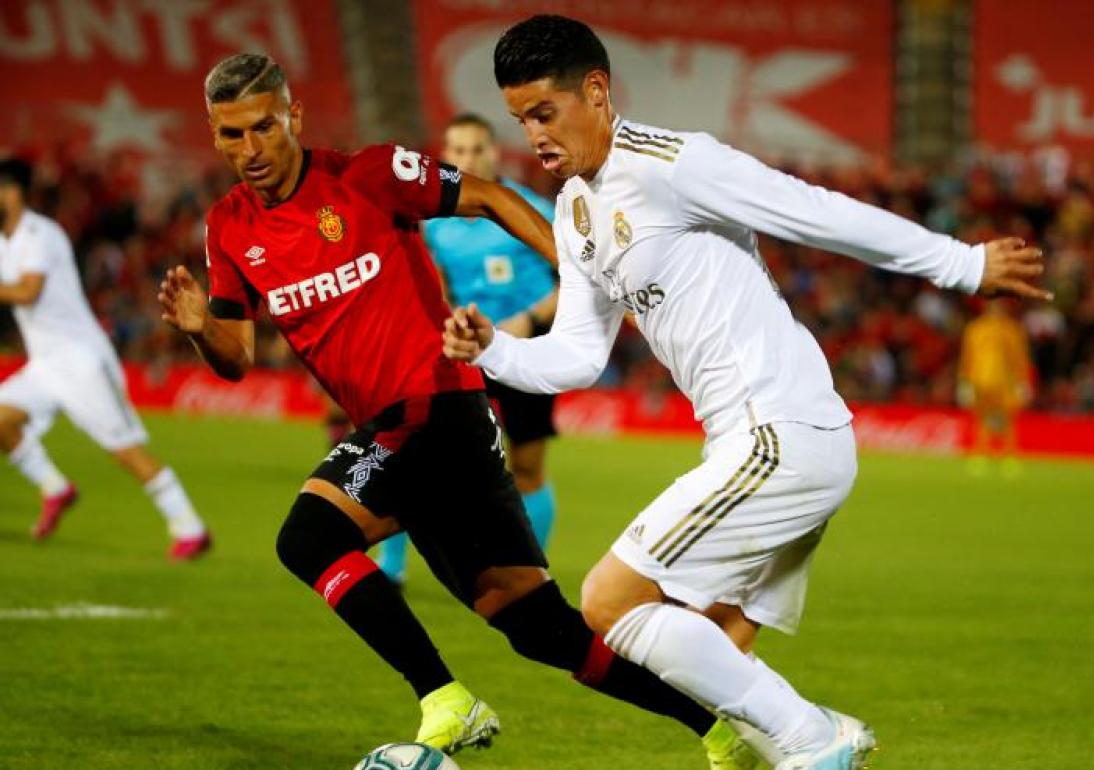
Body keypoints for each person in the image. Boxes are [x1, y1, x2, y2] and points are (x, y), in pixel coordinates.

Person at [444, 16, 1050, 770]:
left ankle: (817, 739)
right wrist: (493, 348)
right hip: (758, 441)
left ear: (595, 91)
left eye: (544, 112)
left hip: (778, 433)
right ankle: (801, 745)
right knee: (716, 644)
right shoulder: (574, 212)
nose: (534, 136)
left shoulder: (673, 164)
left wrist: (959, 263)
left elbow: (813, 209)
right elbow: (577, 356)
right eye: (521, 120)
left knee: (609, 602)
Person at [158, 53, 757, 768]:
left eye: (263, 126)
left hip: (436, 405)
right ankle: (722, 733)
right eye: (232, 135)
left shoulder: (367, 176)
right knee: (539, 627)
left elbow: (493, 198)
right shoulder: (228, 226)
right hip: (407, 428)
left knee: (307, 539)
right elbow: (235, 358)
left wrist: (583, 272)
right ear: (214, 134)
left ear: (293, 115)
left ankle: (443, 697)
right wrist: (200, 329)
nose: (250, 149)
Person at [376, 113, 560, 583]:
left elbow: (581, 280)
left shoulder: (531, 208)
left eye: (477, 149)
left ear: (494, 152)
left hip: (528, 352)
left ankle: (527, 574)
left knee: (526, 468)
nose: (468, 159)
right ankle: (391, 568)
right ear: (445, 156)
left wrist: (532, 318)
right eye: (458, 151)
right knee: (417, 455)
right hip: (464, 351)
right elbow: (427, 282)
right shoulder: (433, 222)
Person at [0, 158, 210, 559]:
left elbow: (28, 291)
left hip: (79, 359)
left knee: (123, 451)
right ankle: (56, 488)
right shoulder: (4, 241)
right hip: (44, 363)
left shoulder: (40, 234)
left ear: (12, 192)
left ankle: (190, 527)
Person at [958, 299, 1033, 476]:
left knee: (1007, 418)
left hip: (1005, 380)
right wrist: (965, 382)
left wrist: (1023, 381)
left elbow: (1019, 357)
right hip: (980, 380)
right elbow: (967, 356)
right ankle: (981, 453)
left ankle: (1009, 455)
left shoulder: (1012, 329)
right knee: (982, 418)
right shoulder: (975, 329)